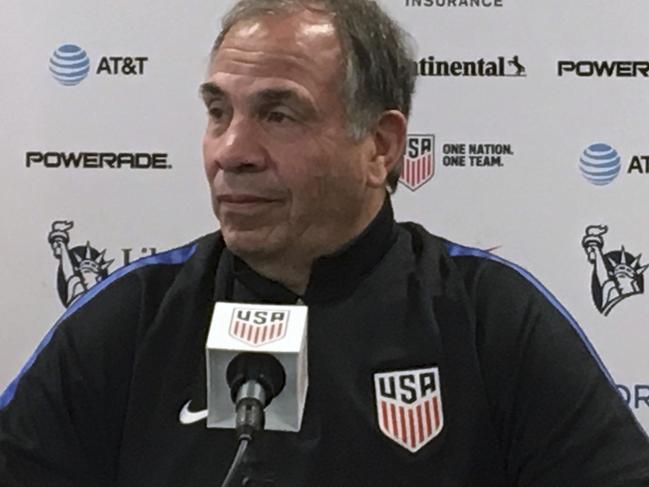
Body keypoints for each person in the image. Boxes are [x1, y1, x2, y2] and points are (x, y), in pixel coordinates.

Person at [1, 0, 648, 485]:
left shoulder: (488, 315)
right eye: (218, 112)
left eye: (278, 114)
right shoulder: (136, 316)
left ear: (380, 146)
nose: (232, 151)